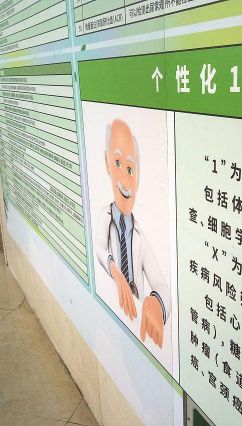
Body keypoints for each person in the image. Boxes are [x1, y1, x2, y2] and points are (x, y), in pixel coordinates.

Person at [95, 119, 170, 348]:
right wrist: (115, 271)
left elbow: (160, 283)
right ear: (107, 163)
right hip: (111, 323)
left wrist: (156, 303)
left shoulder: (140, 238)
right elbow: (98, 247)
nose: (125, 179)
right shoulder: (104, 216)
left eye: (130, 169)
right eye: (117, 163)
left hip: (136, 323)